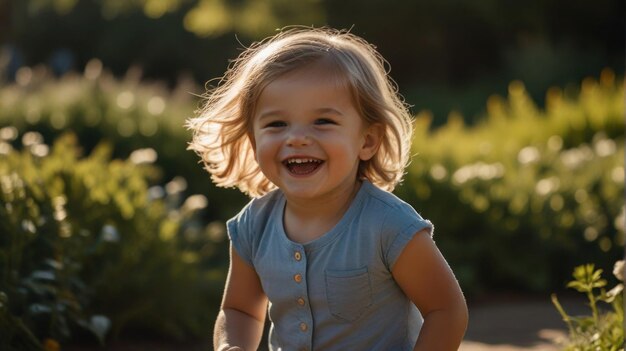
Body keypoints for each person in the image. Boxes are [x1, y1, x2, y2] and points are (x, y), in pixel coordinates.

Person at [187, 27, 468, 351]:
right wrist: (230, 346)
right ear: (253, 140)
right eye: (277, 124)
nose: (297, 138)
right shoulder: (254, 226)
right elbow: (238, 310)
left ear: (367, 140)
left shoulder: (389, 226)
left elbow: (446, 310)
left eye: (323, 121)